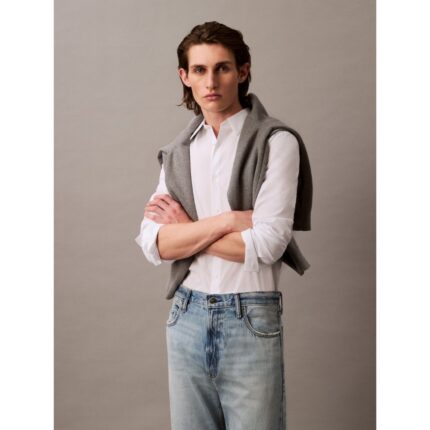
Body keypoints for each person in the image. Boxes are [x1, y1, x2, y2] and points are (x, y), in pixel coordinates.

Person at [135, 21, 312, 430]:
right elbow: (153, 243)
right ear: (185, 76)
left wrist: (187, 230)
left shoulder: (275, 142)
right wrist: (229, 221)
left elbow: (266, 245)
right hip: (186, 314)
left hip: (249, 315)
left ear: (243, 71)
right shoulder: (178, 152)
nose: (211, 81)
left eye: (223, 68)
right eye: (199, 70)